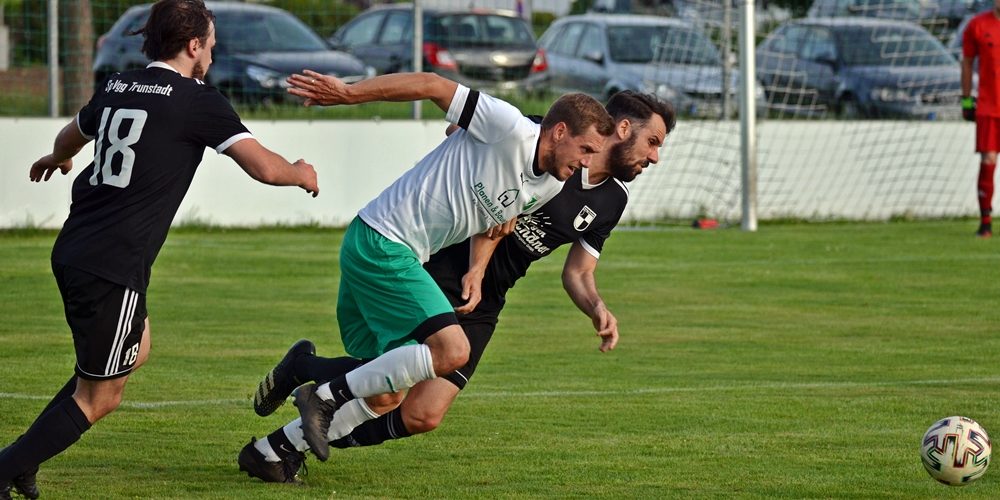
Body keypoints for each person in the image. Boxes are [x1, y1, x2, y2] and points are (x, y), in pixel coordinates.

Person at [239, 91, 674, 483]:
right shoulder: (543, 138)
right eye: (652, 141)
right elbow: (467, 132)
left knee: (421, 414)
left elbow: (577, 271)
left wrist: (596, 307)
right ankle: (287, 434)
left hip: (488, 299)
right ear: (622, 128)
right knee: (388, 384)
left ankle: (289, 415)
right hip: (441, 270)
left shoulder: (612, 199)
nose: (654, 157)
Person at [0, 1, 319, 496]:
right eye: (210, 45)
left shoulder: (119, 84)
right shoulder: (197, 99)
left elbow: (73, 133)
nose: (212, 54)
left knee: (134, 349)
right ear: (193, 45)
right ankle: (10, 465)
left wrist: (56, 157)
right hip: (112, 264)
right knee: (101, 396)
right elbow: (264, 167)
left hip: (77, 248)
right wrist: (301, 173)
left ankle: (25, 458)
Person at [962, 0, 1000, 238]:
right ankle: (985, 222)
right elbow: (967, 63)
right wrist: (966, 100)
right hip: (989, 107)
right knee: (988, 160)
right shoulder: (977, 25)